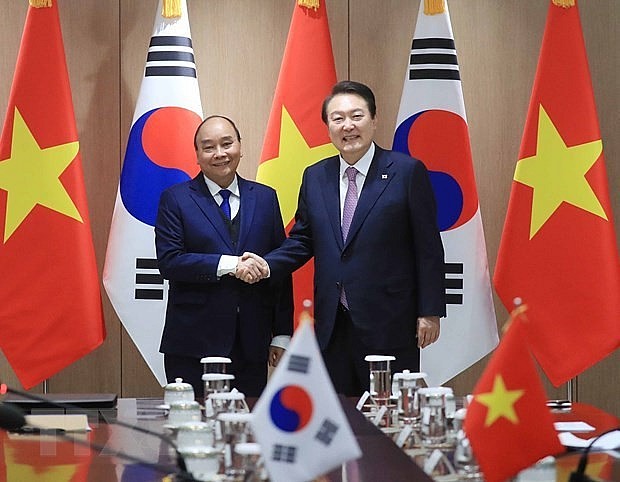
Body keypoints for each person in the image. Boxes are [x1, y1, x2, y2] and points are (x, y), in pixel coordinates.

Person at [241, 81, 446, 396]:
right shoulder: (315, 176)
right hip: (332, 325)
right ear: (327, 127)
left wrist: (429, 311)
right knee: (338, 419)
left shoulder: (406, 172)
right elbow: (303, 239)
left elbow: (428, 247)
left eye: (356, 116)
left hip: (390, 323)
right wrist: (267, 265)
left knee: (387, 418)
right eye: (337, 119)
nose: (348, 126)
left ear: (374, 120)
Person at [155, 115, 293, 397]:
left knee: (247, 431)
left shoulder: (265, 198)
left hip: (252, 345)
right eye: (208, 147)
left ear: (240, 147)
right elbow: (170, 262)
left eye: (227, 143)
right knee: (193, 432)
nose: (219, 153)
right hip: (193, 345)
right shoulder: (176, 198)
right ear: (197, 155)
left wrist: (281, 333)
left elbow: (279, 267)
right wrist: (230, 265)